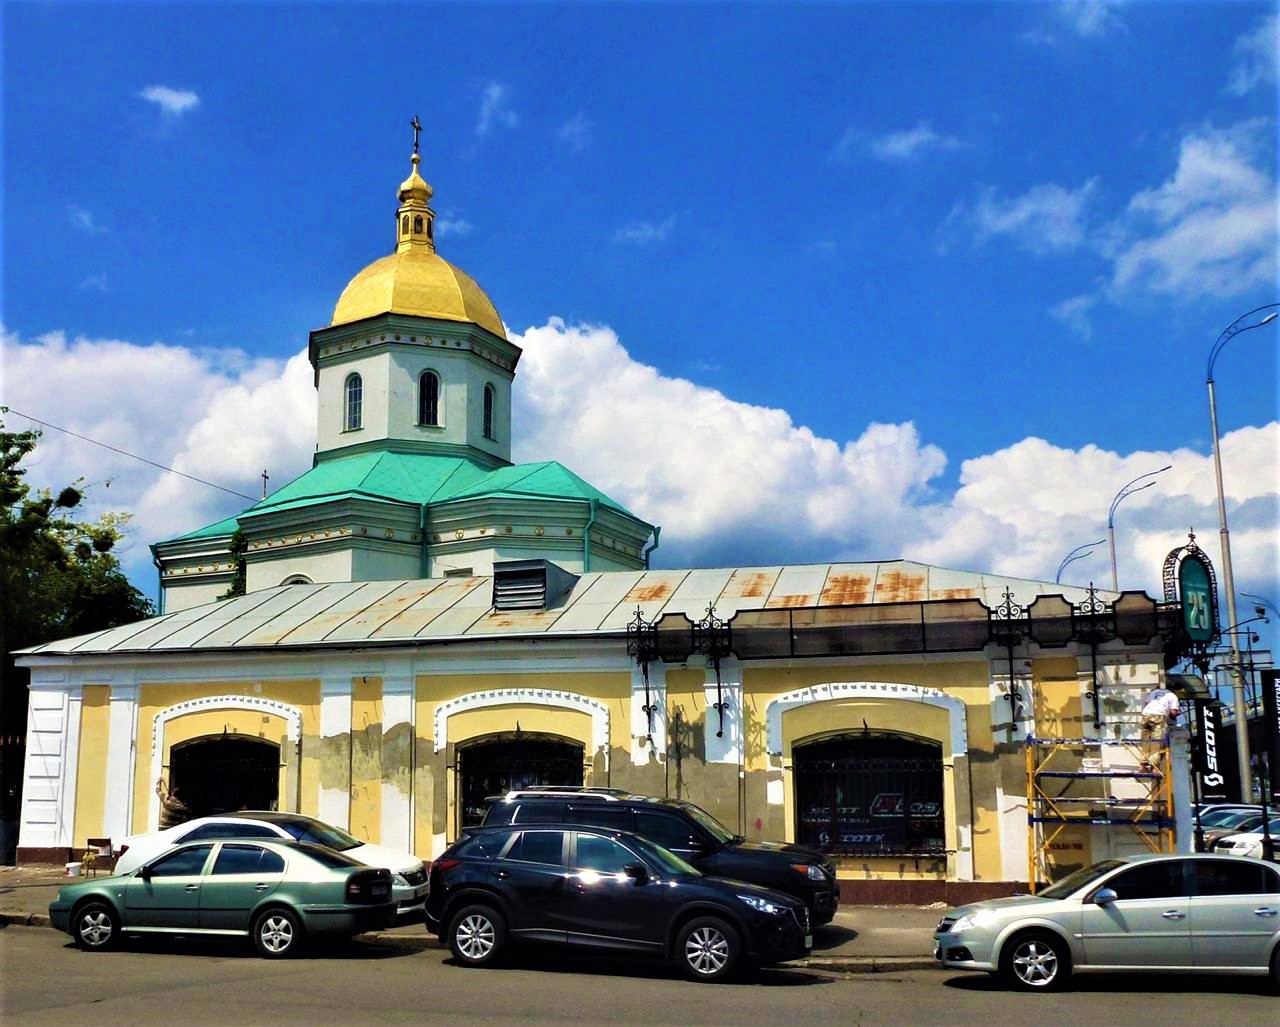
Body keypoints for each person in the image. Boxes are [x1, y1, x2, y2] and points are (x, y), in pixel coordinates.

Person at [1139, 684, 1181, 771]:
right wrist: (1177, 713)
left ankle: (1142, 765)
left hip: (1145, 716)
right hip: (1158, 716)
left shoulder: (1154, 692)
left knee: (1145, 741)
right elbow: (1173, 713)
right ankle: (1154, 768)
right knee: (1156, 743)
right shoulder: (1173, 696)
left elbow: (1146, 704)